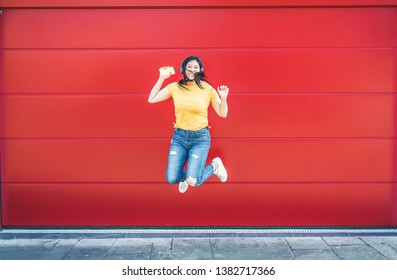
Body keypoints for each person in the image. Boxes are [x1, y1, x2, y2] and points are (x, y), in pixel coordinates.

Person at [148, 55, 229, 193]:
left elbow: (223, 113)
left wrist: (223, 98)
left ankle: (214, 166)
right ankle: (186, 178)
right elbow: (152, 99)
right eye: (189, 67)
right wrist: (161, 78)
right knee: (172, 178)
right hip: (179, 137)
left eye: (196, 67)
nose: (192, 69)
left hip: (200, 138)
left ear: (200, 70)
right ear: (183, 69)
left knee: (194, 182)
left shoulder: (207, 89)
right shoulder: (175, 87)